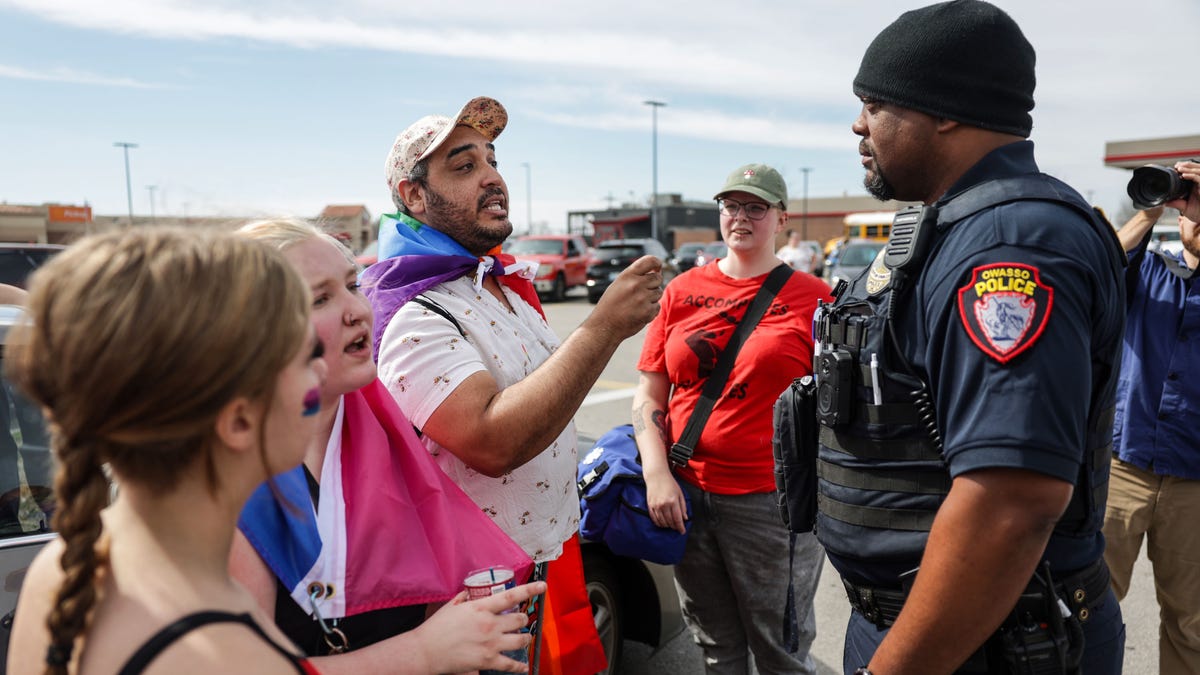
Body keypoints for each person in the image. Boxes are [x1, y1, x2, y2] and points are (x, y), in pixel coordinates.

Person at [818, 1, 1127, 673]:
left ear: (946, 109)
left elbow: (1011, 502)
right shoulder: (955, 228)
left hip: (982, 643)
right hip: (936, 631)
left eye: (873, 102)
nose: (857, 123)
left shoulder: (1010, 245)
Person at [363, 96, 662, 673]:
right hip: (472, 592)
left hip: (545, 564)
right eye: (463, 165)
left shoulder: (498, 283)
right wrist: (603, 327)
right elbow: (492, 442)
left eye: (491, 159)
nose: (493, 177)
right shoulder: (412, 311)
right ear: (413, 197)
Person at [6, 228, 329, 674]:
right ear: (238, 421)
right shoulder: (222, 658)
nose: (323, 370)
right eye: (307, 354)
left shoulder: (69, 566)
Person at [230, 219, 544, 674]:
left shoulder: (374, 423)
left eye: (353, 285)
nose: (357, 310)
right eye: (319, 298)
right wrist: (424, 652)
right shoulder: (225, 477)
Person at [633, 163, 833, 674]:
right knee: (716, 647)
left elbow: (839, 407)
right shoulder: (679, 291)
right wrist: (657, 474)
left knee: (780, 651)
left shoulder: (815, 298)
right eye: (730, 206)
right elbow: (649, 394)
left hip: (772, 506)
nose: (739, 217)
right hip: (687, 497)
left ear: (781, 218)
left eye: (755, 207)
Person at [1104, 162, 1200, 675]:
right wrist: (1155, 205)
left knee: (1193, 625)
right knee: (1086, 605)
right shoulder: (1150, 273)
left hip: (1194, 484)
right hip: (1124, 468)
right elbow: (1098, 265)